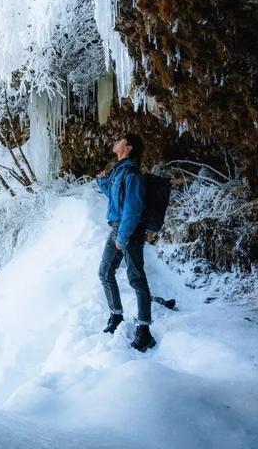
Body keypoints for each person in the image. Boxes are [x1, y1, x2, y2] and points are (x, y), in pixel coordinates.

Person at [96, 132, 156, 352]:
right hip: (117, 228)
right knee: (105, 272)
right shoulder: (119, 171)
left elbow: (133, 208)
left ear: (128, 147)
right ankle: (117, 315)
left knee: (137, 279)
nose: (115, 141)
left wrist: (123, 236)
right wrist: (103, 182)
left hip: (127, 231)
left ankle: (144, 330)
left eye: (120, 140)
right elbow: (115, 201)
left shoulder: (132, 174)